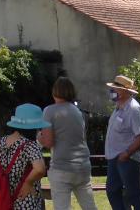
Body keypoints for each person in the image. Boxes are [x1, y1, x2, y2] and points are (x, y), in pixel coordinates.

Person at [0, 104, 48, 210]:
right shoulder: (30, 145)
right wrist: (28, 183)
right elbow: (40, 169)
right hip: (25, 201)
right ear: (33, 128)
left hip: (3, 200)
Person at [38, 77, 98, 210]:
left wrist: (39, 137)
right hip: (82, 165)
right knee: (89, 206)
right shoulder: (78, 112)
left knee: (62, 207)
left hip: (62, 166)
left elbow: (48, 142)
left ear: (54, 92)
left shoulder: (49, 111)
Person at [104, 75, 140, 210]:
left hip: (126, 159)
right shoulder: (118, 107)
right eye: (112, 88)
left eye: (115, 89)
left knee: (133, 193)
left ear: (125, 91)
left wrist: (127, 153)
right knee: (112, 191)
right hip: (114, 157)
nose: (112, 91)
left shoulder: (133, 109)